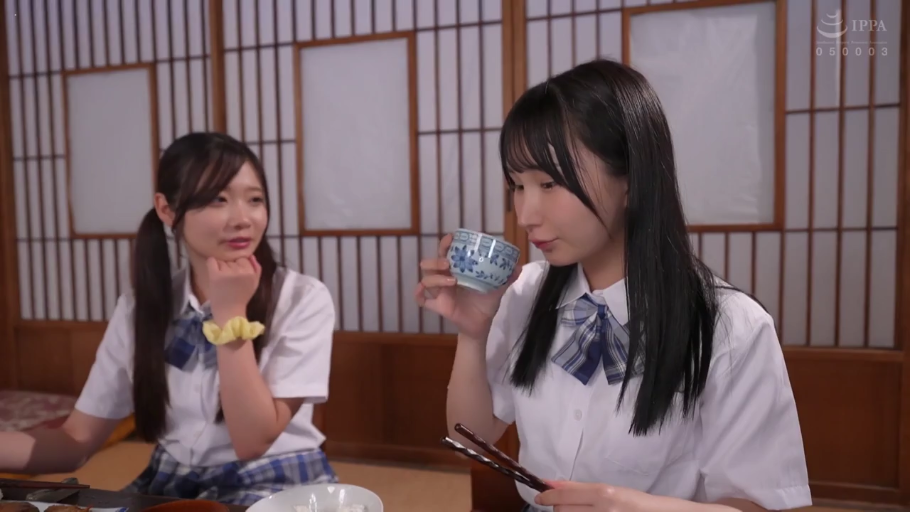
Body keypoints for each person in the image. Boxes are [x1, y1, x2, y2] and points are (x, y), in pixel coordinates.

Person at [416, 59, 811, 512]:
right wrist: (472, 334)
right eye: (517, 186)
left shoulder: (731, 327)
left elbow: (766, 505)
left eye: (549, 182)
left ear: (630, 179)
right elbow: (473, 441)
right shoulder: (524, 293)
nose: (525, 215)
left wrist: (629, 505)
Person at [0, 132, 337, 506]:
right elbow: (75, 440)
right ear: (167, 210)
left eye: (255, 200)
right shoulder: (140, 308)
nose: (243, 218)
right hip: (170, 482)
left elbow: (252, 441)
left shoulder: (302, 298)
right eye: (217, 199)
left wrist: (230, 313)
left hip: (277, 481)